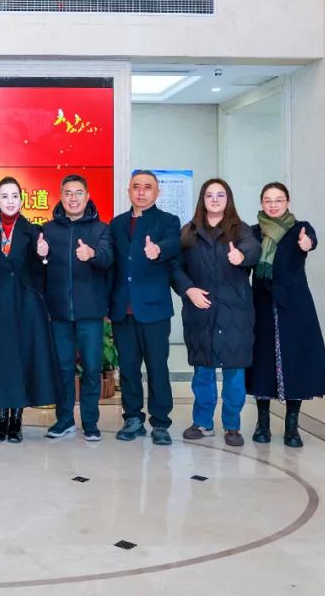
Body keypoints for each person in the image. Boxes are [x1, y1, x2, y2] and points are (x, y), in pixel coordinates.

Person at [0, 176, 58, 443]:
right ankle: (1, 421)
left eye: (14, 196)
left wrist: (44, 254)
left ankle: (16, 421)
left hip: (25, 307)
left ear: (21, 200)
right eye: (4, 196)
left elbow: (42, 268)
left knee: (21, 362)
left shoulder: (34, 231)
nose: (10, 201)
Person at [170, 179, 261, 447]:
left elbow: (253, 248)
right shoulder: (188, 232)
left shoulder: (240, 230)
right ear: (202, 200)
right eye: (209, 195)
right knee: (203, 373)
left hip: (235, 314)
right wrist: (189, 290)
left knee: (234, 375)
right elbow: (175, 267)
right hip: (201, 312)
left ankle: (232, 426)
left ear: (228, 199)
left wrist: (241, 256)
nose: (215, 199)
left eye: (221, 195)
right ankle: (203, 423)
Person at [247, 182, 325, 448]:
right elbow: (245, 259)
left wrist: (309, 244)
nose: (273, 204)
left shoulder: (300, 228)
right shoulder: (253, 232)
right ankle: (262, 423)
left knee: (296, 362)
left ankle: (292, 427)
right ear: (261, 203)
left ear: (287, 202)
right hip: (261, 303)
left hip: (295, 305)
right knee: (261, 362)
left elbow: (312, 241)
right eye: (268, 200)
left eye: (279, 200)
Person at [108, 170, 181, 446]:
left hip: (154, 310)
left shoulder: (168, 221)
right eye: (136, 186)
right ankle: (133, 418)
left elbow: (174, 244)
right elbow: (112, 266)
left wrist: (158, 250)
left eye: (147, 187)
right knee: (128, 368)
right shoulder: (117, 224)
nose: (141, 192)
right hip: (122, 309)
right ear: (128, 191)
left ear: (157, 192)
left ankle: (160, 422)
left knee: (157, 367)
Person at [41, 174, 113, 441]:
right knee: (63, 369)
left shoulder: (101, 229)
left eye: (78, 193)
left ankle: (91, 422)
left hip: (90, 313)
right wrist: (39, 254)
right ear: (61, 196)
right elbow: (38, 271)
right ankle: (64, 420)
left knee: (92, 369)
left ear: (87, 196)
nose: (73, 198)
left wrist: (92, 254)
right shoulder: (48, 230)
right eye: (68, 193)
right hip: (58, 313)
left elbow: (107, 258)